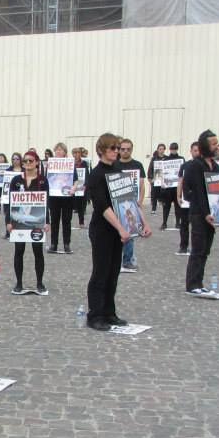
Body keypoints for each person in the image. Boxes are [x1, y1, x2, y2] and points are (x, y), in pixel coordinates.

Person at [85, 133, 150, 330]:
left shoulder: (118, 171)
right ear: (102, 150)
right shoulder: (96, 175)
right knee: (101, 272)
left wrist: (142, 223)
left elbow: (129, 200)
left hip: (118, 230)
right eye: (113, 148)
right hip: (103, 230)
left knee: (113, 273)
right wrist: (121, 228)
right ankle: (95, 315)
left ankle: (109, 312)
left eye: (118, 148)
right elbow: (103, 207)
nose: (117, 151)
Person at [182, 130, 219, 293]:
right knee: (197, 249)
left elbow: (218, 191)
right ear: (205, 145)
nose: (216, 146)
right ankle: (192, 284)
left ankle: (200, 282)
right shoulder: (195, 165)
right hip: (199, 213)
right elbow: (193, 191)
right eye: (213, 143)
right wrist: (204, 212)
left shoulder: (215, 165)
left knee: (206, 249)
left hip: (213, 212)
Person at [6, 150, 49, 295]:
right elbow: (10, 202)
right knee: (19, 251)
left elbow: (46, 203)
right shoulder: (16, 180)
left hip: (37, 221)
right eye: (25, 161)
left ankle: (39, 283)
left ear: (37, 162)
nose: (28, 163)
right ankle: (18, 283)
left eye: (31, 161)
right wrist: (8, 221)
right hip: (18, 221)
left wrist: (47, 222)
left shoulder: (42, 180)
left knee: (38, 251)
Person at [116, 139, 147, 272]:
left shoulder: (138, 164)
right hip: (117, 203)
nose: (125, 151)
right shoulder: (115, 165)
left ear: (132, 149)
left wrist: (140, 200)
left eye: (128, 149)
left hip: (131, 203)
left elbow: (141, 184)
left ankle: (127, 260)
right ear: (119, 149)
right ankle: (116, 260)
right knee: (117, 233)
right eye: (123, 149)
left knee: (130, 231)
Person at [47, 142, 75, 254]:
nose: (58, 152)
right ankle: (54, 244)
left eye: (60, 150)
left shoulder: (70, 164)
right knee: (54, 221)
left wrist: (74, 187)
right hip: (54, 197)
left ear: (65, 152)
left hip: (67, 196)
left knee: (66, 221)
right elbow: (46, 179)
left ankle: (66, 244)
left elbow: (76, 179)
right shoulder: (50, 164)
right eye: (56, 150)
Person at [175, 142, 200, 255]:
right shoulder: (185, 165)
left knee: (197, 226)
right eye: (195, 150)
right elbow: (180, 181)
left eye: (199, 150)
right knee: (184, 224)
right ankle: (183, 246)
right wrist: (178, 196)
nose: (197, 152)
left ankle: (196, 247)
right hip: (186, 199)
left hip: (199, 201)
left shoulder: (204, 165)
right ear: (191, 151)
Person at [147, 143, 166, 224]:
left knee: (163, 194)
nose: (161, 150)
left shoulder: (166, 158)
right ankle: (153, 209)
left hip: (163, 180)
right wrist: (150, 178)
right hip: (155, 180)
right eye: (160, 149)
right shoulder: (154, 159)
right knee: (154, 194)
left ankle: (164, 206)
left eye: (162, 149)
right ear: (158, 150)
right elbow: (150, 168)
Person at [73, 148, 89, 228]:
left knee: (81, 205)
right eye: (74, 153)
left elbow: (87, 175)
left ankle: (81, 222)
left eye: (78, 152)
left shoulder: (84, 163)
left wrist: (86, 185)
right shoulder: (70, 163)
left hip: (82, 186)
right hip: (72, 186)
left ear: (80, 154)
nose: (76, 154)